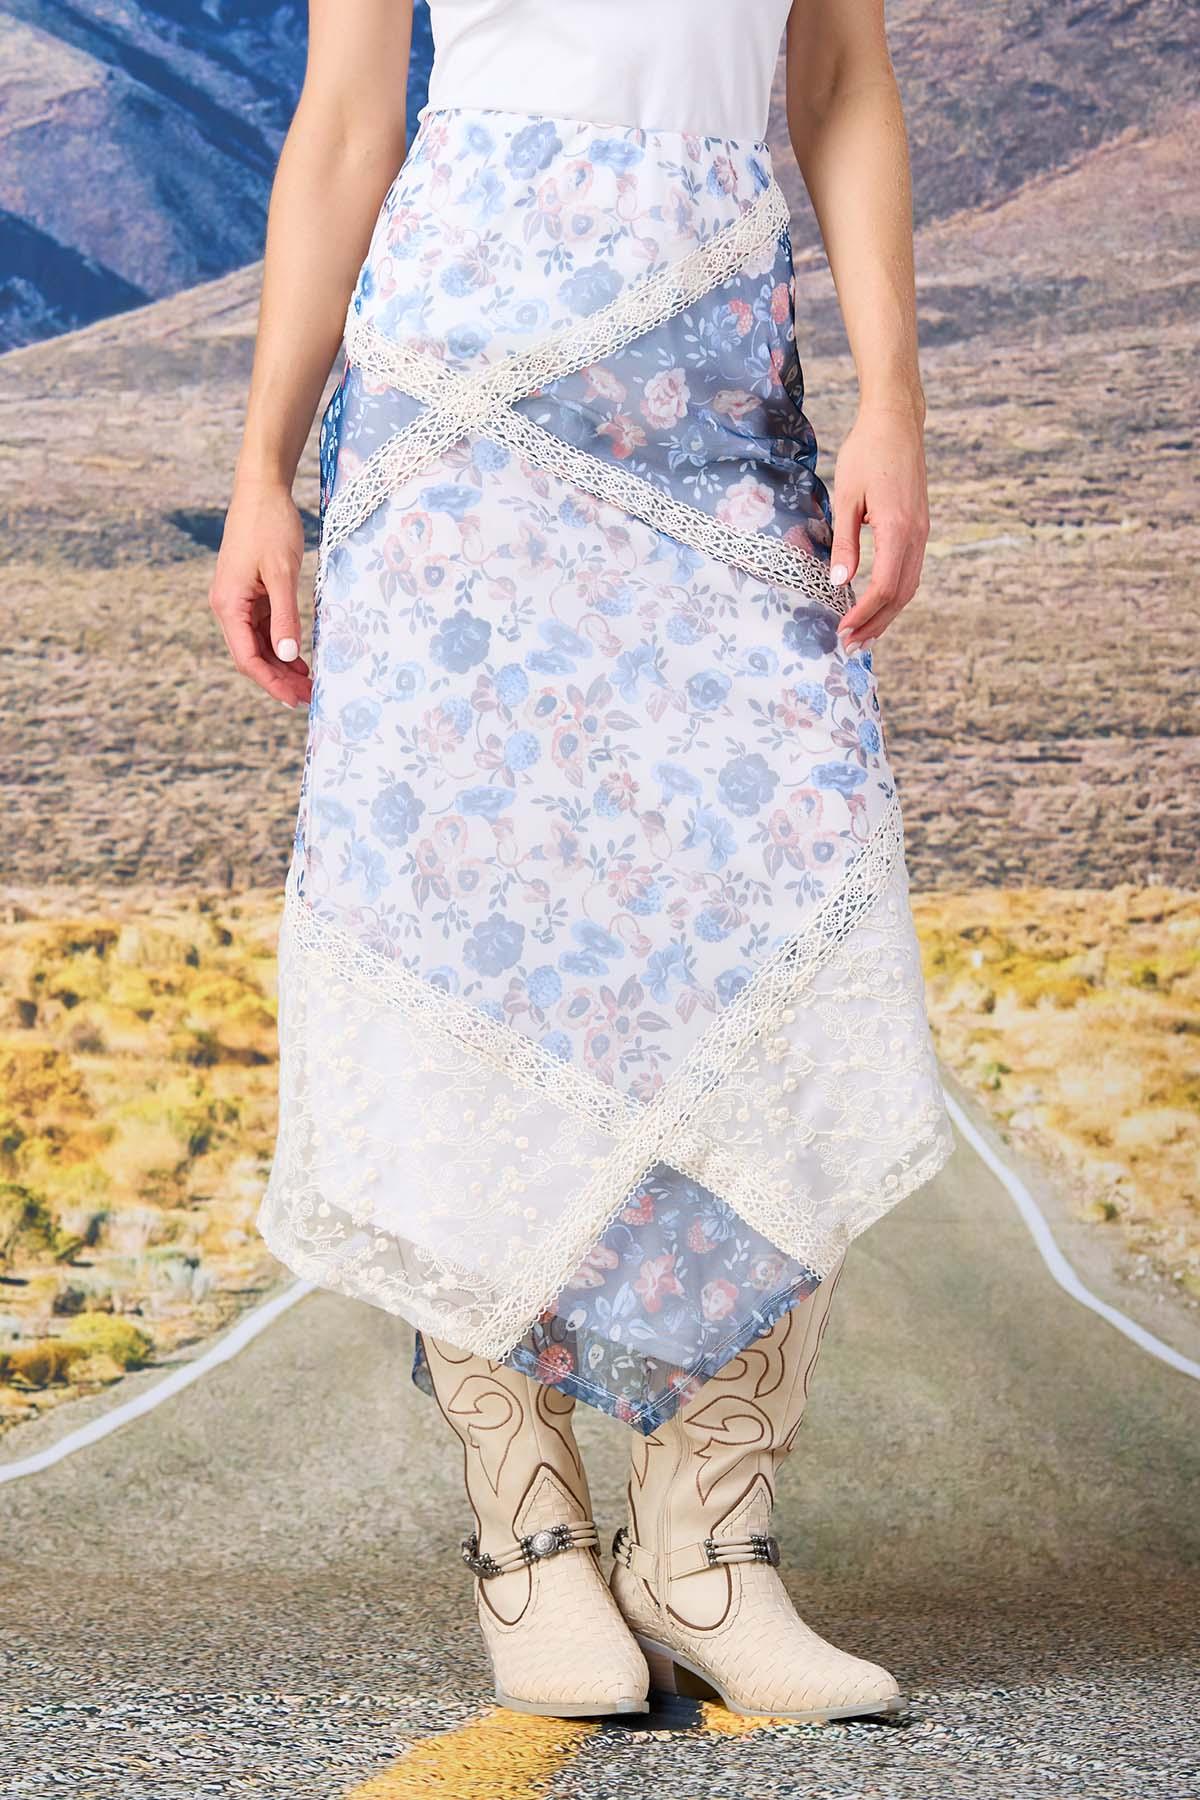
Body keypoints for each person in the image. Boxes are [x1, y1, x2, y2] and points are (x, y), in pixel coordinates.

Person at [212, 0, 955, 1723]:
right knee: (471, 940)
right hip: (457, 408)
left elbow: (840, 77)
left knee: (776, 922)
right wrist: (262, 472)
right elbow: (345, 124)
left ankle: (706, 1546)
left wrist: (894, 402)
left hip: (722, 391)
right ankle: (530, 1537)